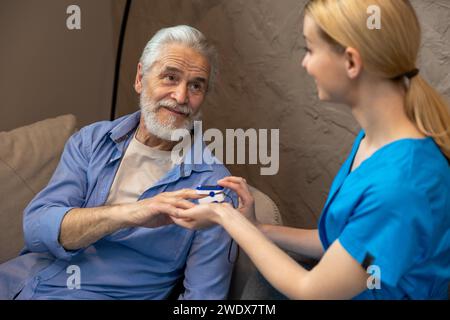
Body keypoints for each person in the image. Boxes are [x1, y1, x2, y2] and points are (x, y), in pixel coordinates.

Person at [170, 0, 450, 300]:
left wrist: (223, 216)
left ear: (352, 63)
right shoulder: (373, 141)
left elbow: (311, 291)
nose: (305, 63)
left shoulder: (400, 186)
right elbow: (341, 241)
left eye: (310, 50)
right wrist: (258, 228)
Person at [0, 25, 237, 300]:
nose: (181, 97)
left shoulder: (212, 188)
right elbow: (37, 229)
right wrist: (130, 213)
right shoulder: (91, 141)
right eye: (170, 78)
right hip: (13, 282)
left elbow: (203, 300)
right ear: (140, 78)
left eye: (196, 85)